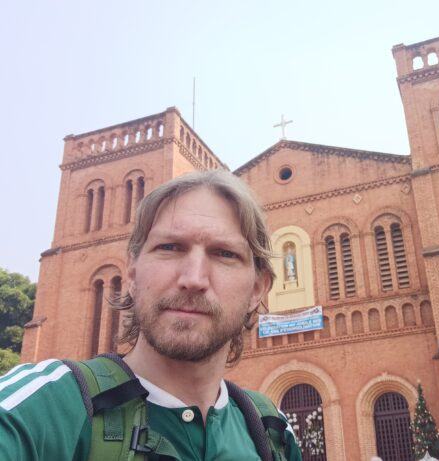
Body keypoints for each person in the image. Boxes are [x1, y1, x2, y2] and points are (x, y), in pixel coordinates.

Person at [0, 170, 302, 460]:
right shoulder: (44, 407)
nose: (194, 278)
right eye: (170, 247)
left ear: (257, 289)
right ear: (131, 273)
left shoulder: (272, 431)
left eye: (225, 254)